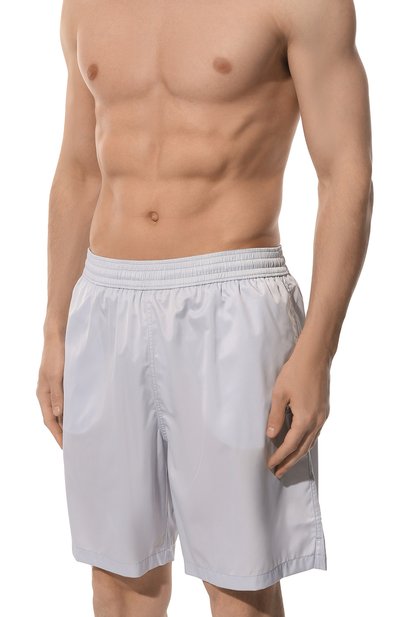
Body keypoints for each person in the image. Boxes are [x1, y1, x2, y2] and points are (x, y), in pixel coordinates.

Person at [36, 0, 373, 615]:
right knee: (117, 581)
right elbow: (80, 171)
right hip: (106, 300)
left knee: (240, 582)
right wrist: (55, 328)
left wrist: (318, 349)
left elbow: (345, 174)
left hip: (233, 300)